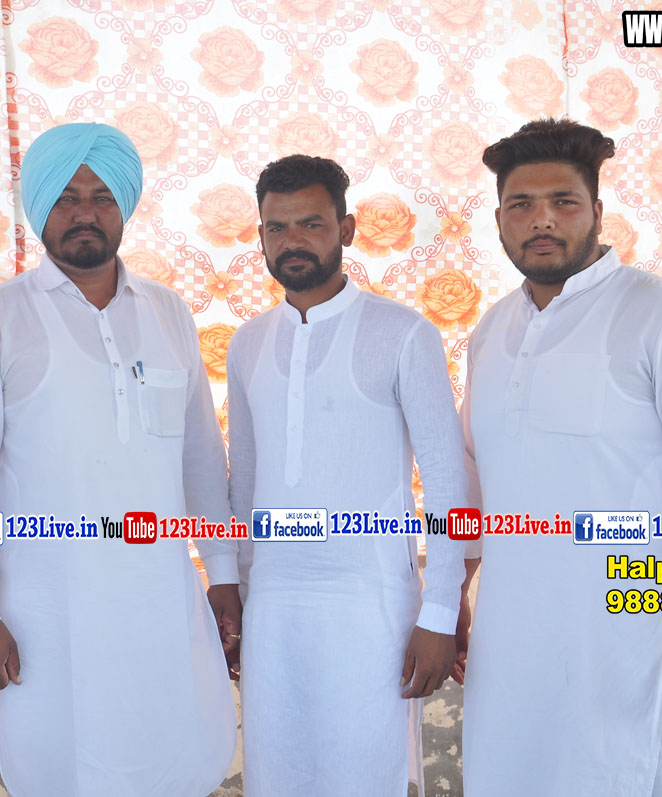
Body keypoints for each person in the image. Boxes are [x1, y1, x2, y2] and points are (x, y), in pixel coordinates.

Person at [458, 118, 662, 796]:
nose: (542, 219)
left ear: (597, 211)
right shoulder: (492, 330)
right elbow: (473, 475)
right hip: (512, 645)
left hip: (632, 644)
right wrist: (454, 592)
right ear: (499, 220)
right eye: (521, 204)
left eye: (563, 202)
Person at [0, 122, 240, 797]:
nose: (84, 213)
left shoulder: (168, 312)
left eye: (102, 196)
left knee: (174, 757)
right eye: (67, 197)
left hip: (161, 598)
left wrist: (223, 571)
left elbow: (199, 456)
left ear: (123, 205)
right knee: (62, 765)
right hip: (46, 609)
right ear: (39, 206)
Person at [226, 154, 467, 796]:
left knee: (365, 776)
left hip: (372, 603)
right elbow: (243, 482)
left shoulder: (404, 333)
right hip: (273, 606)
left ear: (348, 229)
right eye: (276, 228)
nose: (292, 241)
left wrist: (440, 611)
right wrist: (241, 595)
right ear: (260, 236)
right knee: (276, 778)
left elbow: (447, 484)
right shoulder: (247, 343)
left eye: (311, 223)